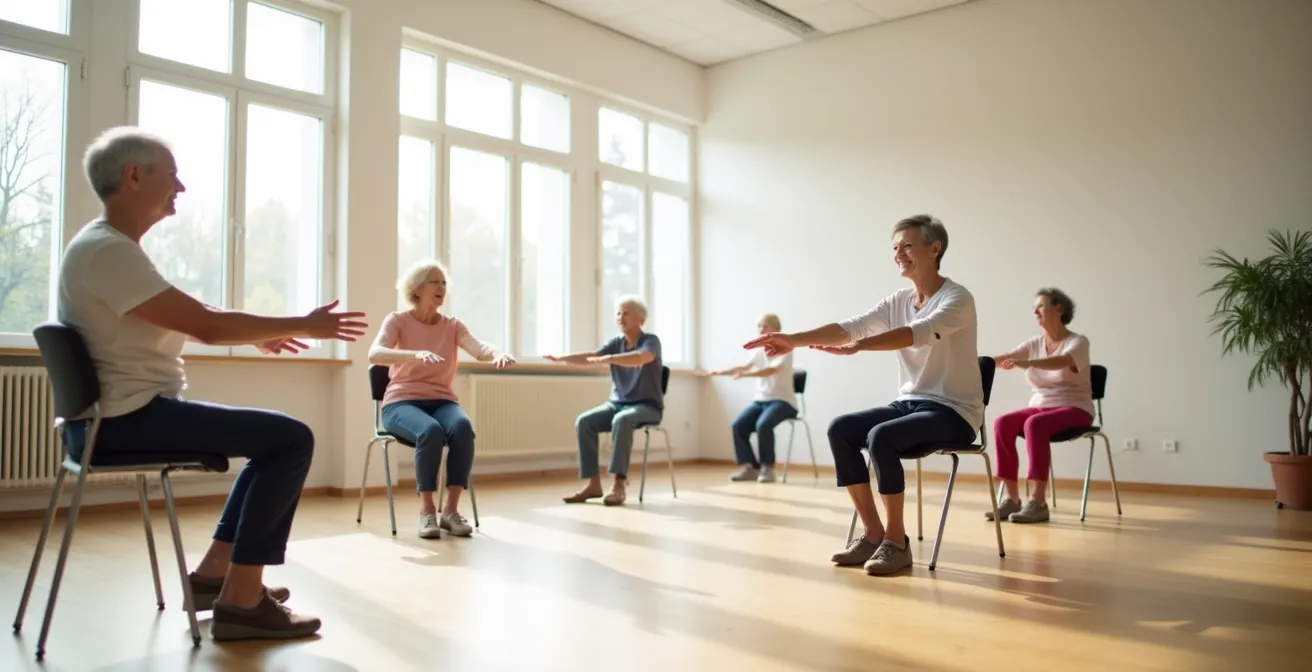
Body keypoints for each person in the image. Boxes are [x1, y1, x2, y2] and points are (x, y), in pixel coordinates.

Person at [58, 126, 368, 640]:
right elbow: (206, 325)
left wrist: (263, 334)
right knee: (290, 439)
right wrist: (304, 324)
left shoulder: (107, 248)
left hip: (119, 416)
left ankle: (213, 578)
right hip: (126, 420)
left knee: (273, 441)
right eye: (172, 175)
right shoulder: (107, 251)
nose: (180, 187)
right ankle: (242, 602)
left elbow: (194, 311)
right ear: (133, 176)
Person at [744, 214, 982, 576]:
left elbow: (915, 334)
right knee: (841, 429)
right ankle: (873, 534)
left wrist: (859, 346)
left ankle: (896, 543)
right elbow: (851, 327)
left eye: (907, 246)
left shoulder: (957, 298)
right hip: (910, 404)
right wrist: (793, 339)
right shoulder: (899, 300)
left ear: (935, 249)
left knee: (881, 436)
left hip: (955, 412)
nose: (898, 253)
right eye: (895, 247)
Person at [368, 260, 515, 539]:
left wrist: (497, 353)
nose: (441, 287)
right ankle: (427, 512)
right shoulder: (397, 320)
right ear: (416, 288)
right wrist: (414, 354)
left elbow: (479, 348)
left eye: (444, 283)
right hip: (401, 402)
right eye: (434, 282)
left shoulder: (452, 325)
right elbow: (375, 354)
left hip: (442, 401)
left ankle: (450, 512)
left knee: (462, 428)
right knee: (431, 431)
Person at [986, 288, 1094, 524]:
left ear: (1059, 309)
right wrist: (977, 363)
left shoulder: (1078, 342)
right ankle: (1012, 499)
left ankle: (1039, 502)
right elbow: (1006, 357)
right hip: (1041, 406)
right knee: (1003, 423)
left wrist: (1028, 363)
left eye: (1041, 306)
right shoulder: (1035, 343)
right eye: (1034, 308)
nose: (1035, 311)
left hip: (1076, 408)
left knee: (1034, 424)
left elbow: (1062, 361)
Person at [547, 295, 663, 506]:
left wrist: (609, 359)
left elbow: (640, 358)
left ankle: (619, 484)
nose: (620, 317)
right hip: (617, 404)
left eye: (626, 313)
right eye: (618, 313)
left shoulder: (651, 341)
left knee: (622, 420)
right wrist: (562, 358)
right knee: (585, 421)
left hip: (647, 406)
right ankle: (593, 484)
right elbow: (591, 357)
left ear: (641, 320)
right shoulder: (616, 343)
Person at [701, 313, 798, 483]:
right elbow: (744, 367)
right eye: (759, 326)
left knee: (763, 425)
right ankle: (750, 467)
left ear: (776, 328)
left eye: (765, 326)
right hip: (761, 402)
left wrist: (746, 375)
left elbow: (771, 370)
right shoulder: (759, 350)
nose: (761, 329)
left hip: (783, 402)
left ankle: (768, 468)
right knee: (738, 425)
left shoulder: (786, 348)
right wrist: (721, 372)